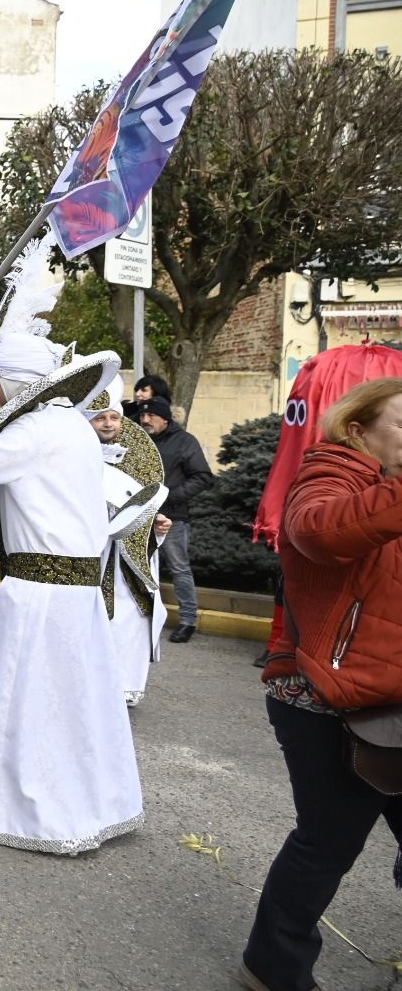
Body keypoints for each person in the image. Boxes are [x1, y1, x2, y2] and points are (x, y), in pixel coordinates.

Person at [0, 240, 141, 855]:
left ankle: (27, 807)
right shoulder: (72, 428)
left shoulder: (34, 431)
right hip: (75, 592)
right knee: (76, 702)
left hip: (38, 593)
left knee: (28, 701)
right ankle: (89, 800)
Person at [242, 376, 402, 991]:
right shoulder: (329, 475)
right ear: (357, 429)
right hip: (324, 697)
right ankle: (273, 968)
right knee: (327, 843)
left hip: (391, 694)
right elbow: (317, 530)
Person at [87, 379, 172, 707]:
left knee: (133, 616)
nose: (109, 424)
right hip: (91, 553)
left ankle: (125, 685)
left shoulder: (138, 456)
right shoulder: (76, 454)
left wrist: (157, 526)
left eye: (115, 417)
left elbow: (145, 503)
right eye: (101, 418)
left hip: (130, 560)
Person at [138, 395, 214, 643]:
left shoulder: (184, 442)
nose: (145, 420)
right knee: (144, 569)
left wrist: (170, 497)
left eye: (151, 416)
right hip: (141, 516)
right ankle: (145, 618)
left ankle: (187, 621)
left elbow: (202, 476)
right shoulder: (139, 441)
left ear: (165, 419)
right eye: (142, 416)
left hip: (173, 517)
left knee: (179, 569)